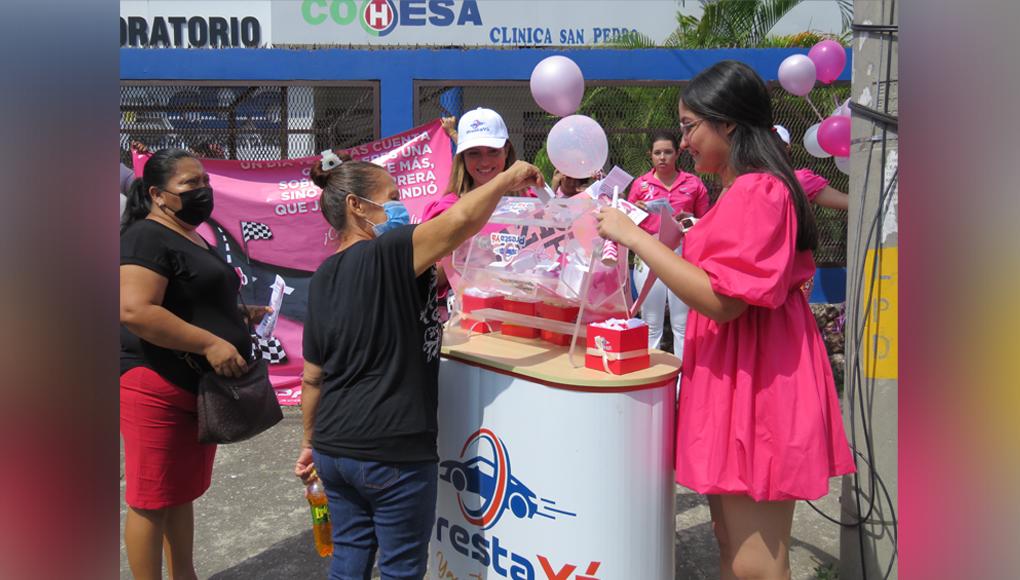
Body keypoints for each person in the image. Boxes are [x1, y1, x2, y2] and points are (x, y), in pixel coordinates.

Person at [596, 60, 855, 580]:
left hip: (758, 383)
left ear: (729, 124)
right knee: (731, 545)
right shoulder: (741, 190)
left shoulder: (761, 190)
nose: (685, 141)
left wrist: (636, 237)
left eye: (691, 126)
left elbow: (724, 300)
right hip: (736, 375)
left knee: (755, 559)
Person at [294, 150, 543, 579]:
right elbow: (461, 221)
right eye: (390, 196)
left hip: (334, 449)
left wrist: (309, 443)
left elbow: (313, 376)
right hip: (391, 451)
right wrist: (506, 180)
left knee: (349, 560)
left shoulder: (324, 276)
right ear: (356, 206)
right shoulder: (389, 251)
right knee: (401, 568)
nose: (399, 206)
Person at [120, 148, 270, 580]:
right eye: (190, 185)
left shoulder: (190, 234)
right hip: (154, 385)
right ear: (157, 194)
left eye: (205, 181)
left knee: (179, 492)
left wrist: (236, 316)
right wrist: (210, 343)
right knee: (150, 500)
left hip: (193, 387)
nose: (203, 191)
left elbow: (187, 298)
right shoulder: (146, 237)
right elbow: (135, 310)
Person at [421, 107, 533, 318]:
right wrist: (457, 252)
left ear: (506, 151)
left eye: (493, 151)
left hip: (525, 316)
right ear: (462, 157)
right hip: (465, 322)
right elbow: (426, 280)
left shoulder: (530, 201)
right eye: (474, 154)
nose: (485, 162)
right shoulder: (445, 210)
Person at [626, 131, 710, 360]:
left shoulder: (694, 184)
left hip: (682, 254)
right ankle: (653, 382)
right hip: (649, 252)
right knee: (651, 322)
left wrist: (688, 220)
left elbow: (707, 224)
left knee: (681, 324)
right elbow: (626, 224)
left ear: (677, 153)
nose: (662, 157)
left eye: (668, 152)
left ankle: (684, 386)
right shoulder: (640, 184)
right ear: (650, 155)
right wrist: (637, 211)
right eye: (657, 152)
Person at [773, 124, 850, 211]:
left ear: (787, 148)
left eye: (773, 143)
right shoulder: (756, 177)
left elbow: (847, 202)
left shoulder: (798, 180)